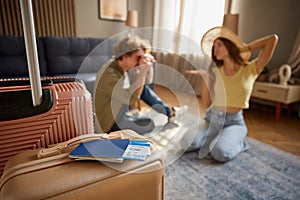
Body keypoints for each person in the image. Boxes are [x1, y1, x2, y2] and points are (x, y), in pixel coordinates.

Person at [182, 26, 278, 162]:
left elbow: (272, 40)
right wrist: (205, 79)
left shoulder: (251, 69)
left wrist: (245, 48)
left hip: (233, 122)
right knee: (186, 143)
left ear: (230, 46)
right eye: (214, 47)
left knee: (219, 153)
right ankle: (215, 138)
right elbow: (206, 103)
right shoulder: (215, 71)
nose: (215, 50)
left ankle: (238, 143)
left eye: (219, 45)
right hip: (211, 118)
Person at [94, 35, 188, 134]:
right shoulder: (108, 74)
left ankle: (170, 112)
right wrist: (143, 70)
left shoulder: (125, 67)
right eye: (138, 57)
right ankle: (167, 113)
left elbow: (147, 83)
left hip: (121, 109)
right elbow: (130, 99)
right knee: (149, 124)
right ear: (125, 56)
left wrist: (149, 66)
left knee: (143, 90)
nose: (140, 61)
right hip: (110, 122)